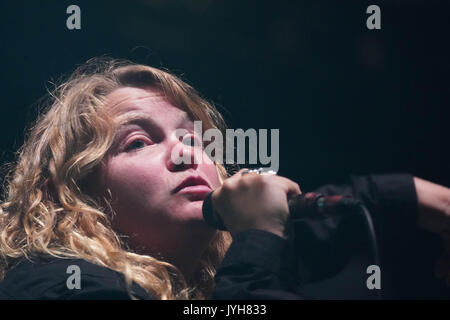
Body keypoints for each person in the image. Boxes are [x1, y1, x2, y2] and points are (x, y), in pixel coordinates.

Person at [0, 57, 448, 300]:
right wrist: (256, 234)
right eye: (138, 142)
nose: (185, 153)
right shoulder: (58, 285)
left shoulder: (210, 271)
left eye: (194, 139)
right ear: (74, 192)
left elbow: (321, 220)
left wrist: (413, 195)